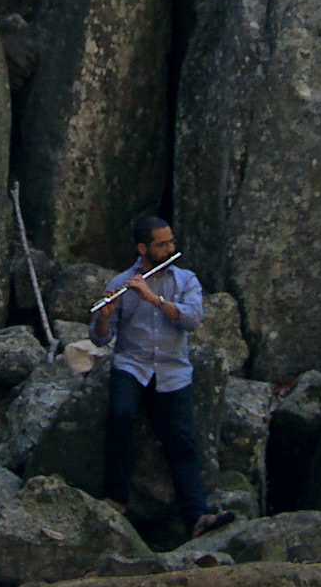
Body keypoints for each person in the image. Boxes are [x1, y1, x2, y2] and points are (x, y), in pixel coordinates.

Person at [90, 214, 235, 539]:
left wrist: (153, 299)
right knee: (120, 415)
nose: (170, 247)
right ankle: (116, 498)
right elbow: (101, 339)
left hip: (172, 369)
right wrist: (103, 316)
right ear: (143, 248)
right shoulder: (121, 282)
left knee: (182, 441)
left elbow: (192, 319)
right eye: (162, 244)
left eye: (171, 241)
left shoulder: (185, 280)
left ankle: (196, 516)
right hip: (132, 364)